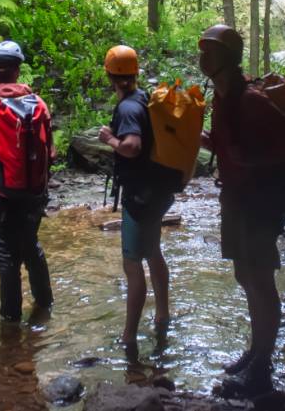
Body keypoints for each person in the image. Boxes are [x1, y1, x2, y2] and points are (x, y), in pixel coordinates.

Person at [199, 24, 285, 397]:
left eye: (208, 50)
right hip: (237, 199)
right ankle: (255, 350)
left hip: (262, 201)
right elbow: (230, 146)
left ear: (227, 57)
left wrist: (251, 159)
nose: (201, 56)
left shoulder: (251, 100)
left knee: (260, 279)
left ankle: (262, 366)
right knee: (245, 274)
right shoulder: (221, 98)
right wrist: (204, 141)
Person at [0, 41, 55, 322]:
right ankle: (45, 304)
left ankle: (10, 319)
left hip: (1, 191)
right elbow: (49, 152)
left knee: (6, 256)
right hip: (33, 192)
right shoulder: (38, 105)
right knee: (31, 243)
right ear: (18, 69)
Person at [97, 44, 172, 354]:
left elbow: (132, 146)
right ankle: (163, 315)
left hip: (141, 196)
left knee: (132, 264)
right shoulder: (144, 99)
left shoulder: (128, 108)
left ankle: (128, 336)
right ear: (136, 72)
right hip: (159, 191)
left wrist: (109, 139)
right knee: (153, 251)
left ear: (109, 75)